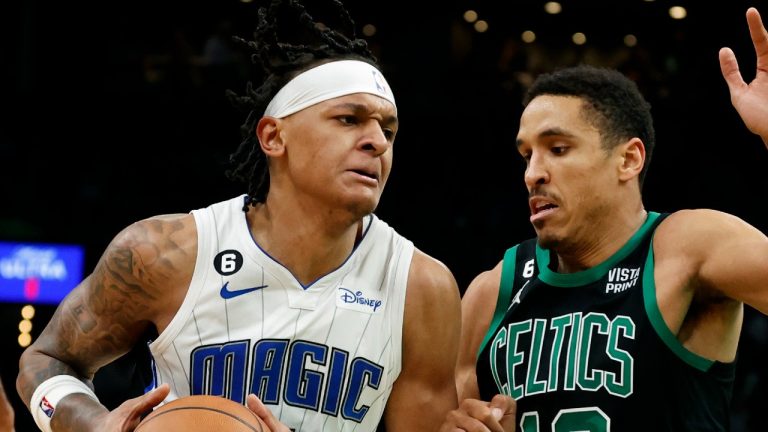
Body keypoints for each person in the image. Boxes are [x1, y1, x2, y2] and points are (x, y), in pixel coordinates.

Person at [15, 1, 461, 431]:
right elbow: (45, 361)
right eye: (349, 119)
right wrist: (94, 423)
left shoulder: (422, 288)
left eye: (388, 130)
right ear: (273, 136)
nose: (377, 142)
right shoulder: (164, 252)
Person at [442, 7, 768, 432]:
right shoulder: (492, 292)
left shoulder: (687, 246)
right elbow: (443, 416)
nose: (532, 173)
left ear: (628, 159)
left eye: (557, 149)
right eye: (527, 155)